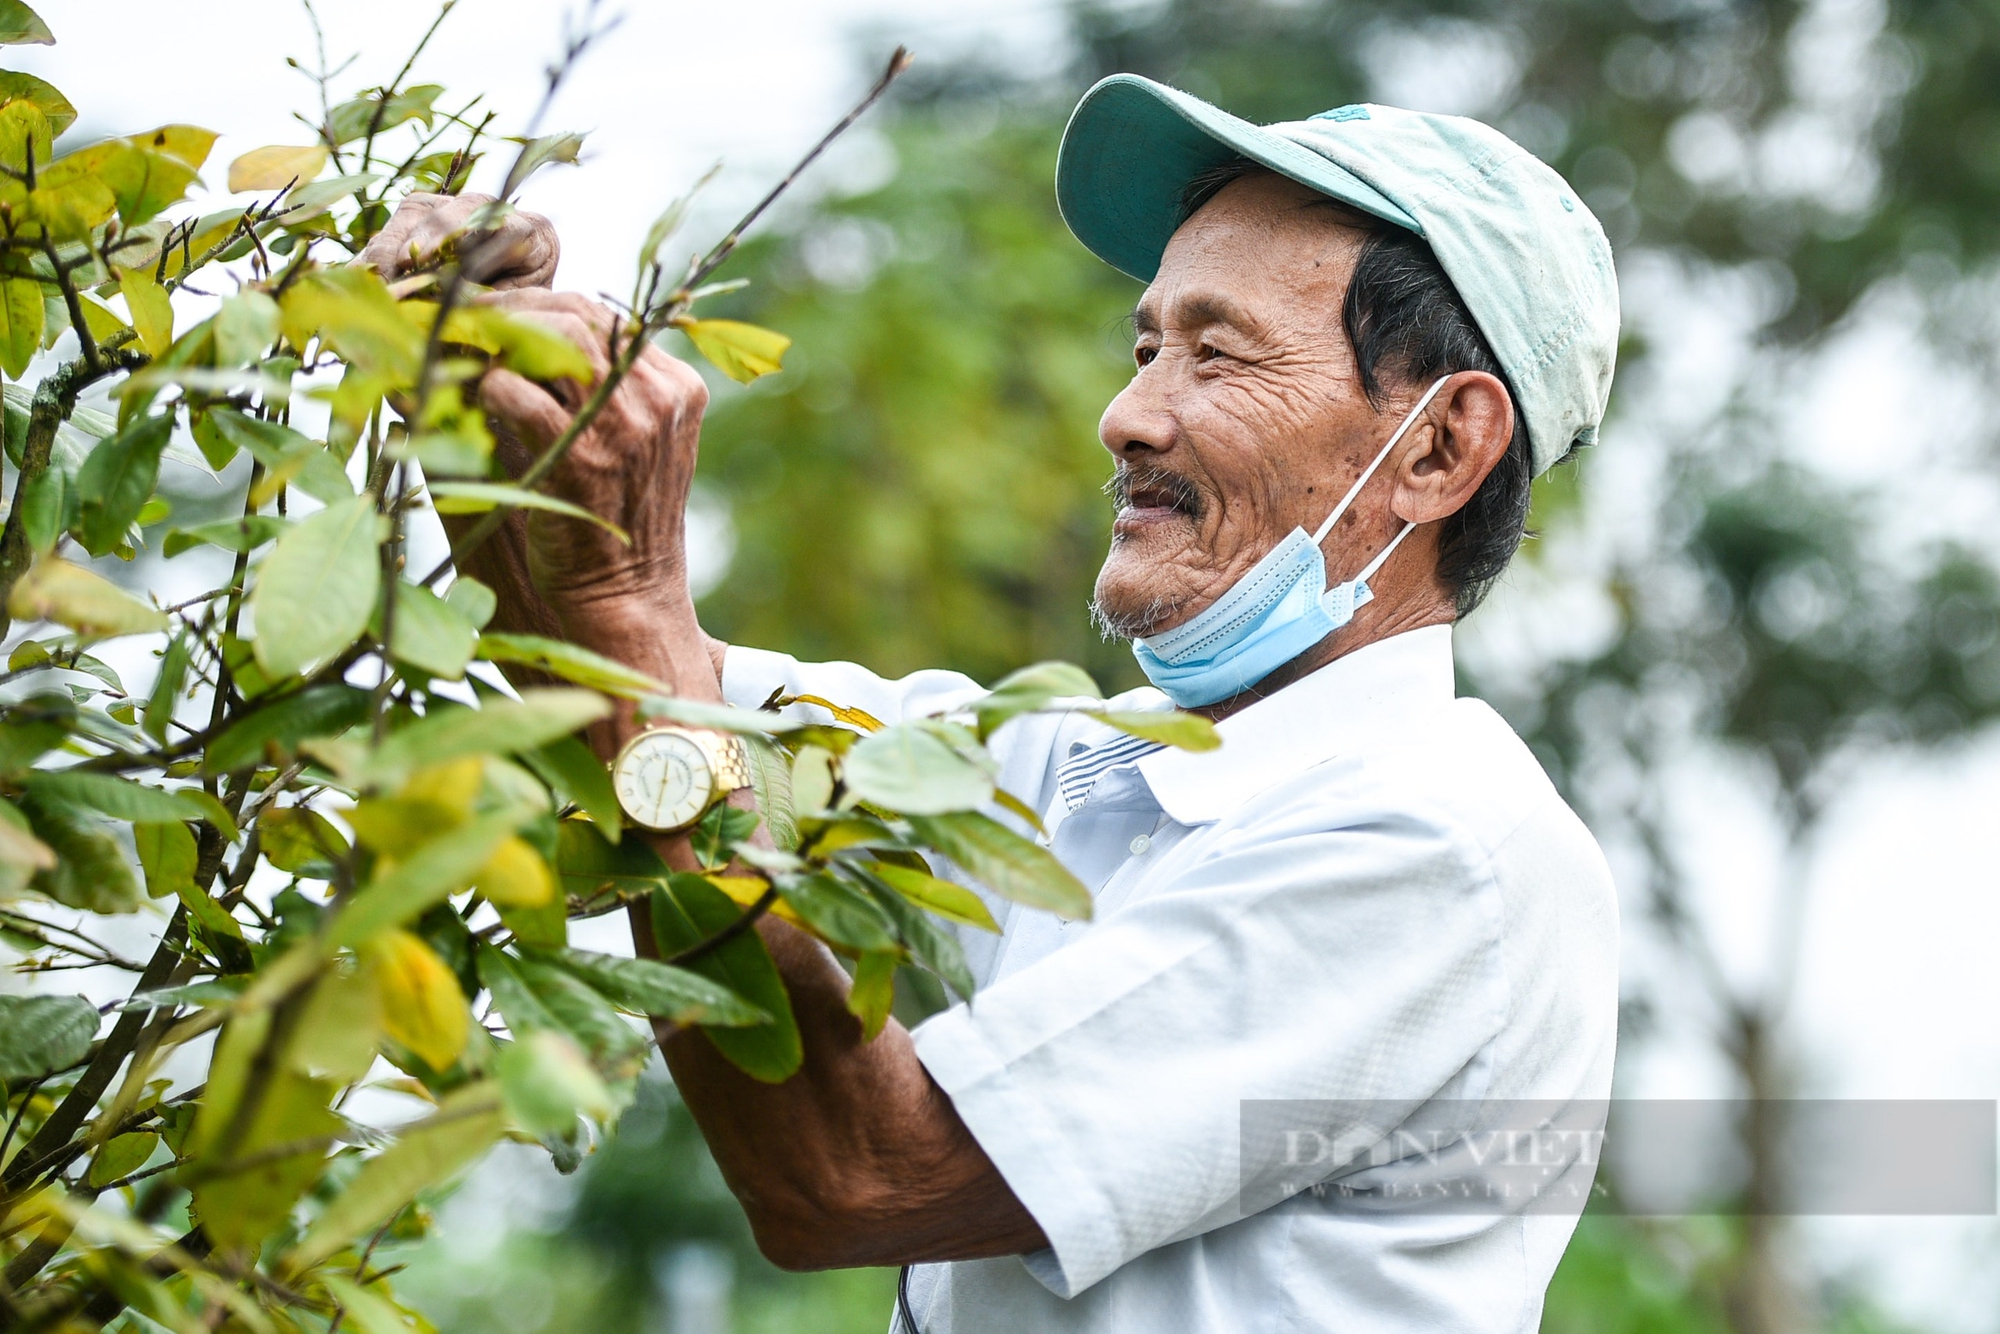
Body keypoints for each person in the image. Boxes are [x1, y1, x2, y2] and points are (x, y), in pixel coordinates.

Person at [366, 74, 1622, 1334]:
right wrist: (491, 410)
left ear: (1437, 448)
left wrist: (632, 606)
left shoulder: (1440, 847)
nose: (1125, 414)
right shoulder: (1089, 775)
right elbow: (616, 701)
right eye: (1144, 348)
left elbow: (852, 1173)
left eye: (1215, 354)